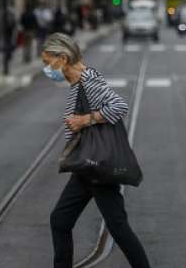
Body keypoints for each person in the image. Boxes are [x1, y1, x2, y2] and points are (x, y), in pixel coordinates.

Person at [41, 34, 150, 268]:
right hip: (86, 166)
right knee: (60, 220)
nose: (46, 69)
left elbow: (119, 106)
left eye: (47, 62)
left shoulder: (88, 80)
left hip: (97, 166)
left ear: (62, 58)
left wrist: (84, 120)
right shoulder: (78, 82)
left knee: (118, 226)